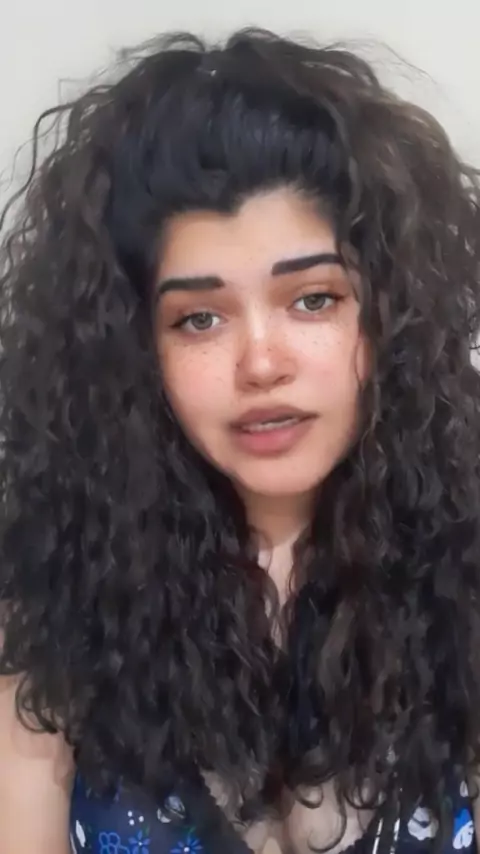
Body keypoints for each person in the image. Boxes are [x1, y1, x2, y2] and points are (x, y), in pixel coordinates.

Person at [0, 26, 479, 854]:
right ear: (132, 351)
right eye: (199, 318)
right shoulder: (51, 606)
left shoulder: (465, 583)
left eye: (313, 299)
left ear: (392, 313)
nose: (261, 363)